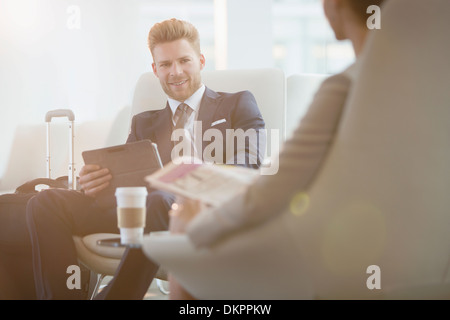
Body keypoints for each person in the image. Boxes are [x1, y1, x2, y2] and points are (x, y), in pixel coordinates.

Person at [26, 18, 265, 300]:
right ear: (155, 70)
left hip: (199, 212)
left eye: (184, 61)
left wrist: (194, 180)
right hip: (141, 210)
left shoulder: (237, 103)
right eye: (165, 65)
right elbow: (126, 179)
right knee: (46, 202)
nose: (175, 72)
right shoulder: (144, 122)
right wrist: (94, 183)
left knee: (159, 200)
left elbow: (250, 159)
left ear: (200, 60)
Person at [167, 0, 387, 299]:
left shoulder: (343, 87)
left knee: (186, 232)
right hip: (395, 251)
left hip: (328, 247)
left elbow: (272, 191)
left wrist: (197, 226)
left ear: (335, 6)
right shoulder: (425, 86)